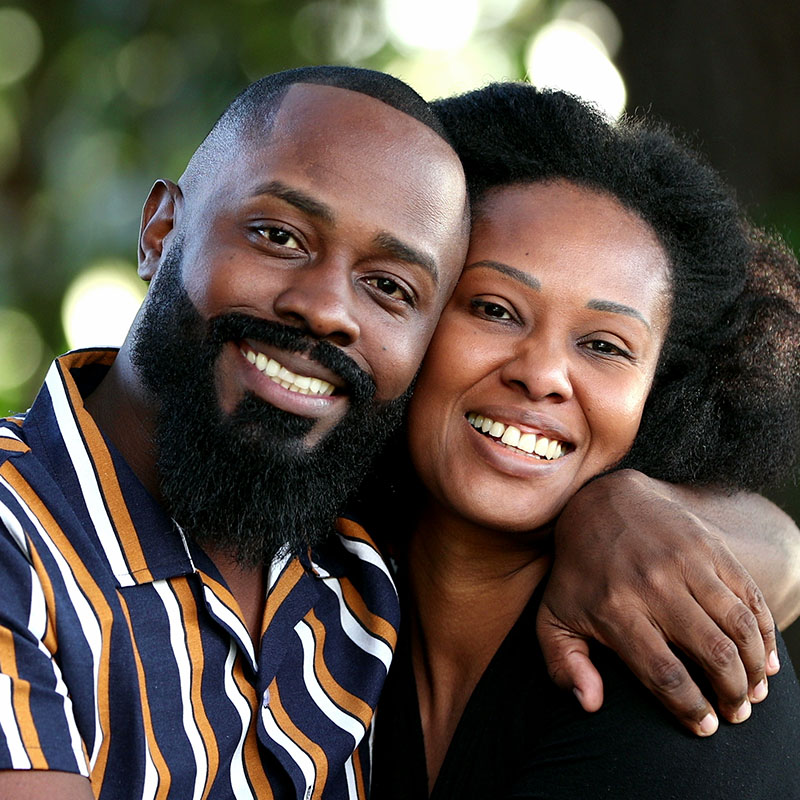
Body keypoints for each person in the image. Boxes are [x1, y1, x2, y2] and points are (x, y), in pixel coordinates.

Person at [0, 65, 797, 799]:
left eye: (388, 285)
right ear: (160, 230)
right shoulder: (324, 545)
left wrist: (630, 509)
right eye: (493, 309)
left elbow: (779, 558)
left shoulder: (342, 569)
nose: (327, 309)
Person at [369, 83, 800, 799]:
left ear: (663, 392)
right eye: (494, 309)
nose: (542, 375)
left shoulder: (686, 680)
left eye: (604, 345)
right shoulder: (308, 592)